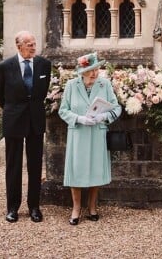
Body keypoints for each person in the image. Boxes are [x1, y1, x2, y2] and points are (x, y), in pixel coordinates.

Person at [0, 30, 52, 223]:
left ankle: (34, 206)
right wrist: (14, 110)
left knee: (35, 166)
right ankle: (12, 208)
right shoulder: (4, 67)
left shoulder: (44, 65)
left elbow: (42, 94)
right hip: (13, 120)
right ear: (19, 46)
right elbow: (0, 95)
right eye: (29, 44)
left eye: (34, 43)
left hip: (36, 120)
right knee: (13, 166)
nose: (34, 47)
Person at [58, 52, 122, 224]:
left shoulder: (105, 84)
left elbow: (116, 109)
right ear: (82, 71)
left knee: (95, 169)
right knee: (76, 170)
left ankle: (92, 207)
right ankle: (76, 208)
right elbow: (63, 110)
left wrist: (104, 117)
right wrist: (79, 119)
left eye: (97, 69)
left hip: (97, 133)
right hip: (78, 133)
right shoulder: (71, 85)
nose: (94, 73)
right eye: (91, 70)